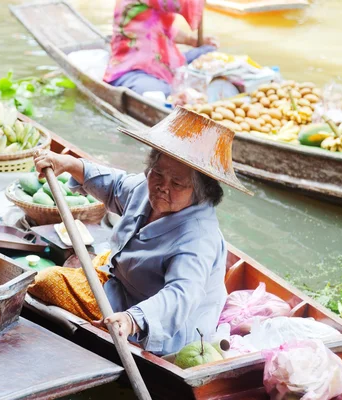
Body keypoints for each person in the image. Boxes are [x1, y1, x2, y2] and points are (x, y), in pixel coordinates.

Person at [28, 107, 253, 355]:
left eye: (177, 183)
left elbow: (180, 294)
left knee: (47, 282)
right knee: (99, 258)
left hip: (153, 320)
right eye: (157, 173)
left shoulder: (198, 239)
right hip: (126, 278)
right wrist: (70, 164)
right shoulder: (147, 187)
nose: (161, 187)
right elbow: (116, 186)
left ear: (201, 192)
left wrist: (132, 319)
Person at [104, 0, 218, 97]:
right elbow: (182, 3)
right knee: (162, 93)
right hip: (134, 69)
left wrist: (191, 40)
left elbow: (165, 29)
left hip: (167, 63)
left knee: (208, 49)